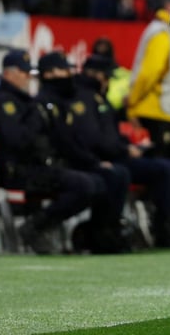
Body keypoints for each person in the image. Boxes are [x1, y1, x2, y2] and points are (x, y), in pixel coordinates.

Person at [0, 49, 106, 254]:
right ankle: (36, 226)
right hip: (19, 172)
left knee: (95, 181)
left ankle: (59, 230)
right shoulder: (4, 102)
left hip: (37, 167)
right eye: (23, 72)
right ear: (8, 73)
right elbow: (17, 141)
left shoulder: (25, 100)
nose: (28, 77)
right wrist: (37, 117)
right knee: (84, 185)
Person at [72, 54, 170, 247]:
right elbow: (95, 139)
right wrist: (125, 148)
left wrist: (129, 145)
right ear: (95, 75)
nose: (108, 81)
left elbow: (110, 134)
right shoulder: (85, 99)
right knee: (164, 171)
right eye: (106, 76)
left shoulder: (100, 99)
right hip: (110, 158)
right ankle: (160, 229)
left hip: (119, 154)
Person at [35, 51, 130, 253]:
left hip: (69, 161)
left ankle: (104, 232)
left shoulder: (61, 101)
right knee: (98, 181)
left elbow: (71, 141)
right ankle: (41, 224)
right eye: (63, 70)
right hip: (54, 165)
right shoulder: (45, 102)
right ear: (48, 74)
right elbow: (63, 143)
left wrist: (93, 160)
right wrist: (93, 162)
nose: (68, 74)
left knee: (112, 175)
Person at [127, 0, 170, 162]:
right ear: (168, 5)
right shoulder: (161, 31)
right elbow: (149, 73)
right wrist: (132, 101)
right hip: (158, 111)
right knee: (163, 168)